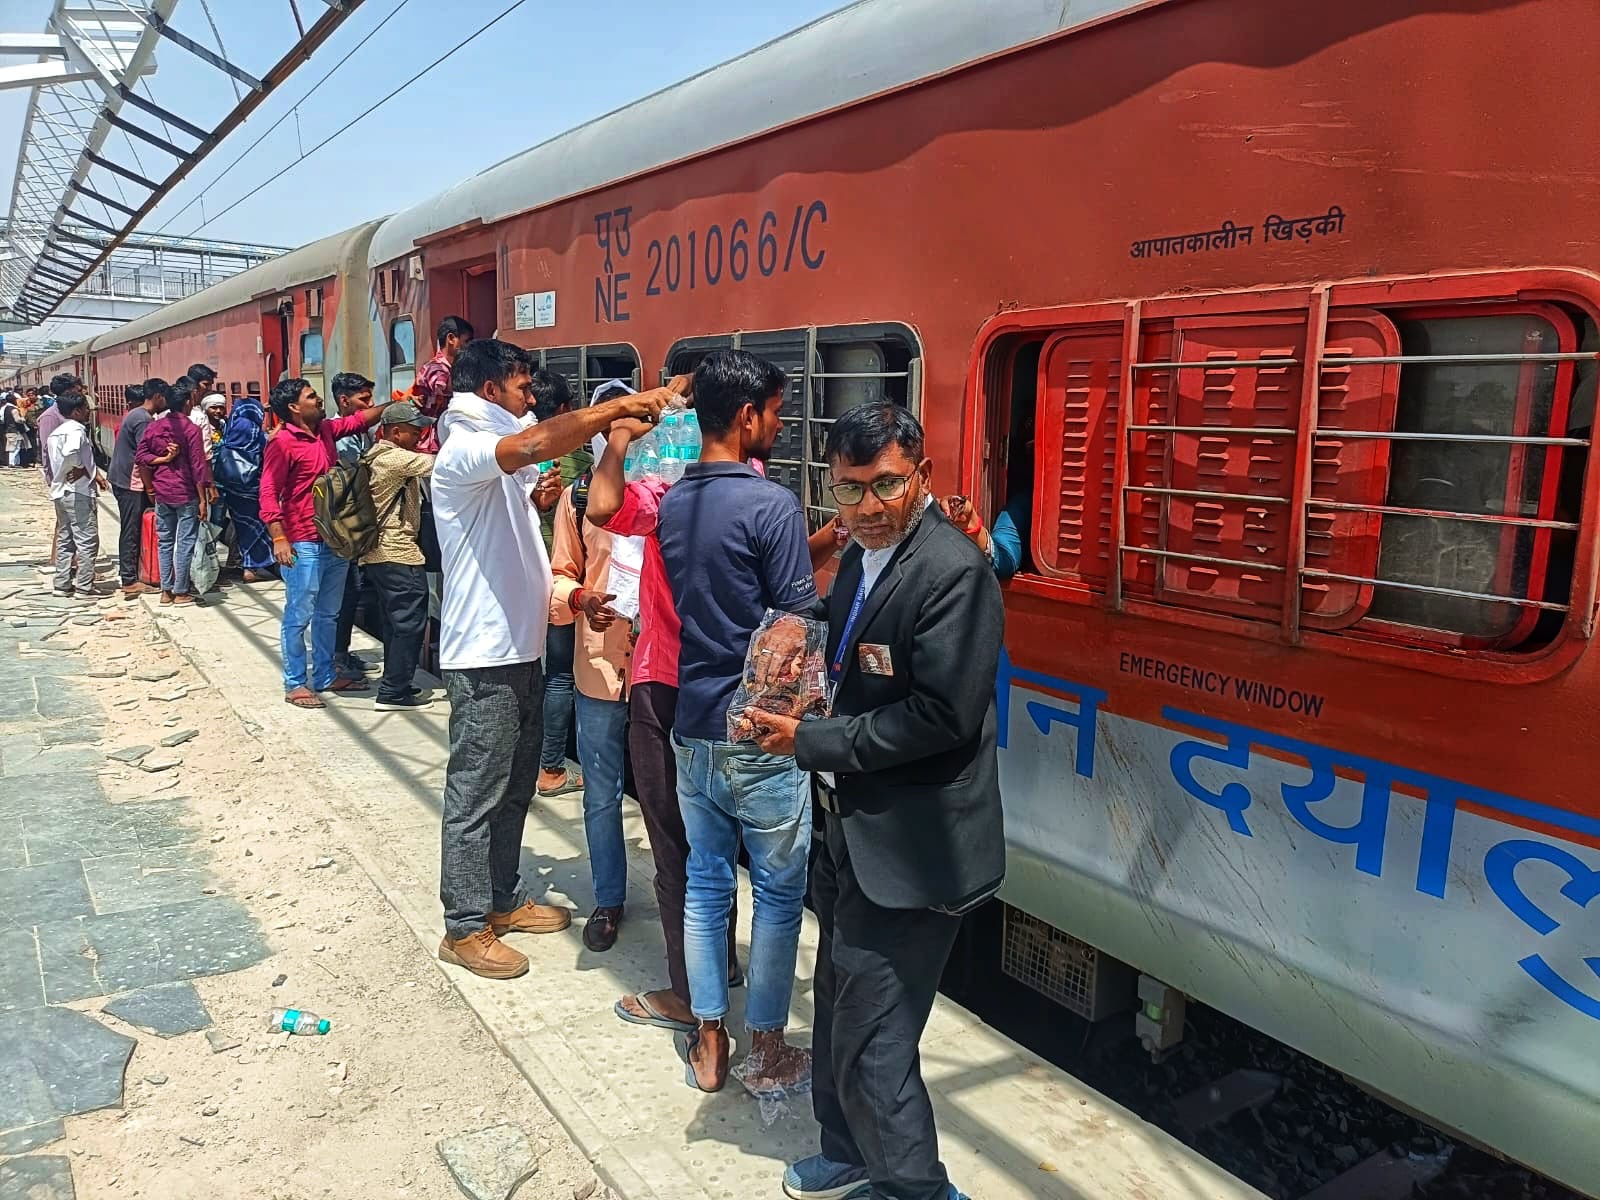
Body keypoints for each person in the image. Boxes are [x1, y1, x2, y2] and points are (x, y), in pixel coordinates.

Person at [749, 404, 1003, 1200]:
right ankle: (848, 1150)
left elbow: (941, 716)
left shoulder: (954, 574)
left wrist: (811, 742)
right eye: (849, 488)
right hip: (851, 829)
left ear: (922, 475)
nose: (867, 506)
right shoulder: (864, 553)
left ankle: (915, 1190)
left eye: (887, 484)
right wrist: (801, 636)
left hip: (914, 849)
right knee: (836, 1000)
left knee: (875, 1037)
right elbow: (852, 637)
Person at [430, 337, 666, 981]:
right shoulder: (464, 446)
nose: (530, 399)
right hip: (484, 655)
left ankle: (502, 899)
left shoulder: (493, 454)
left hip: (518, 647)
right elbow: (535, 443)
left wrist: (534, 504)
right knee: (476, 792)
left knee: (513, 786)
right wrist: (620, 410)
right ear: (489, 391)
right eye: (522, 387)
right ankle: (464, 926)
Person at [642, 349, 818, 1094]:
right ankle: (766, 1048)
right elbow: (796, 621)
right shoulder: (770, 505)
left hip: (693, 723)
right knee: (776, 892)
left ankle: (709, 1040)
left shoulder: (675, 502)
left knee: (707, 884)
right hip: (759, 733)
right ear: (746, 416)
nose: (778, 425)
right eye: (774, 413)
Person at [586, 377, 747, 1040]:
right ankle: (723, 964)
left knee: (675, 846)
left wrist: (621, 436)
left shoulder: (661, 495)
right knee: (718, 839)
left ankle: (688, 992)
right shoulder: (754, 488)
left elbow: (603, 506)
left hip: (665, 684)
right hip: (728, 688)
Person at [548, 465, 636, 951]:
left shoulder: (676, 483)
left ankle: (685, 904)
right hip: (599, 664)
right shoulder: (577, 496)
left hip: (662, 666)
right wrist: (580, 598)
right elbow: (560, 574)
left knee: (675, 794)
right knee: (601, 792)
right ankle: (609, 899)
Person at [259, 376, 386, 709]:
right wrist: (279, 538)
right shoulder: (282, 443)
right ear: (293, 407)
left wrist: (401, 403)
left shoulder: (326, 430)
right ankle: (295, 683)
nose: (318, 399)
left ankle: (326, 675)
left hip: (334, 539)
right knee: (298, 615)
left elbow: (359, 421)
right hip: (302, 542)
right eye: (311, 396)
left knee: (328, 613)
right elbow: (269, 491)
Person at [532, 368, 590, 799]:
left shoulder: (514, 455)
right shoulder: (581, 465)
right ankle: (551, 767)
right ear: (567, 409)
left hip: (526, 580)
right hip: (565, 586)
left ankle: (535, 757)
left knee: (535, 675)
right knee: (561, 678)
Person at [359, 401, 437, 711]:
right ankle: (393, 692)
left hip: (379, 554)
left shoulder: (374, 455)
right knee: (410, 621)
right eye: (414, 432)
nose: (419, 437)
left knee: (394, 622)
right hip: (397, 551)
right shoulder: (394, 458)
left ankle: (396, 682)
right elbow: (442, 465)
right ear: (395, 432)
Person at [135, 377, 215, 606]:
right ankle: (181, 591)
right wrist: (203, 500)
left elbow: (141, 457)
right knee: (185, 542)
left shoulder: (154, 427)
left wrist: (162, 460)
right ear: (187, 402)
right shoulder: (191, 429)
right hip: (185, 492)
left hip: (162, 492)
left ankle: (165, 591)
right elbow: (198, 467)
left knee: (165, 541)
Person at [331, 372, 378, 683]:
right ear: (344, 401)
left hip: (356, 521)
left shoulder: (361, 433)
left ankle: (342, 652)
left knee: (353, 591)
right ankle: (337, 657)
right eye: (364, 399)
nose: (370, 405)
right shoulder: (342, 437)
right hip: (344, 524)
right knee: (345, 593)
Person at [45, 392, 110, 599]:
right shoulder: (76, 430)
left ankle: (62, 584)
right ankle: (84, 586)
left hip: (60, 491)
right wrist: (80, 468)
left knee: (66, 539)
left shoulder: (56, 433)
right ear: (76, 411)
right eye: (86, 408)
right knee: (87, 539)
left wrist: (93, 473)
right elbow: (72, 453)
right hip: (78, 492)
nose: (88, 412)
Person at [214, 387, 273, 583]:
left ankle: (242, 565)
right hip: (252, 488)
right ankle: (251, 567)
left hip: (232, 488)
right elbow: (268, 447)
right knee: (257, 527)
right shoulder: (255, 431)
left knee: (241, 526)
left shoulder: (230, 428)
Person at [108, 382, 159, 598]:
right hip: (131, 482)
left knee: (132, 528)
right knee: (131, 529)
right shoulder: (143, 419)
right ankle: (129, 580)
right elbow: (143, 458)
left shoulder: (135, 414)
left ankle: (133, 574)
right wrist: (150, 488)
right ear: (157, 396)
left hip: (124, 479)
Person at [414, 315, 473, 454]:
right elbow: (442, 386)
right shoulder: (435, 367)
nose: (468, 347)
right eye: (466, 341)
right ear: (451, 338)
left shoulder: (449, 368)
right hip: (430, 441)